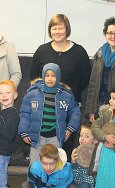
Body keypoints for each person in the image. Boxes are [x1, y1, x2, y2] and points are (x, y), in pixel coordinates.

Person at [30, 14, 91, 160]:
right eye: (54, 28)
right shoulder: (41, 51)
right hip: (45, 108)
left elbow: (86, 78)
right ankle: (42, 179)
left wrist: (70, 93)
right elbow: (34, 79)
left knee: (66, 147)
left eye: (61, 28)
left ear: (67, 29)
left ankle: (62, 179)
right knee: (44, 150)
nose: (57, 31)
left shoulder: (79, 52)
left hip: (70, 107)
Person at [19, 63, 81, 164]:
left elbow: (75, 111)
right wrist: (24, 132)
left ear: (58, 76)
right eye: (47, 75)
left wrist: (70, 128)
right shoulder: (32, 93)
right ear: (43, 76)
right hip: (36, 138)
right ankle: (34, 180)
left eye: (53, 75)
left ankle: (52, 180)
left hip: (56, 137)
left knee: (54, 164)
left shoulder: (66, 94)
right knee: (35, 165)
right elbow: (25, 114)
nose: (50, 78)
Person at [71, 123, 98, 188]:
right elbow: (76, 178)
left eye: (86, 136)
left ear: (95, 140)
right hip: (82, 183)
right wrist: (73, 162)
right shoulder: (76, 153)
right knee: (84, 187)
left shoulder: (99, 154)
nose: (82, 139)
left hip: (97, 185)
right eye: (81, 135)